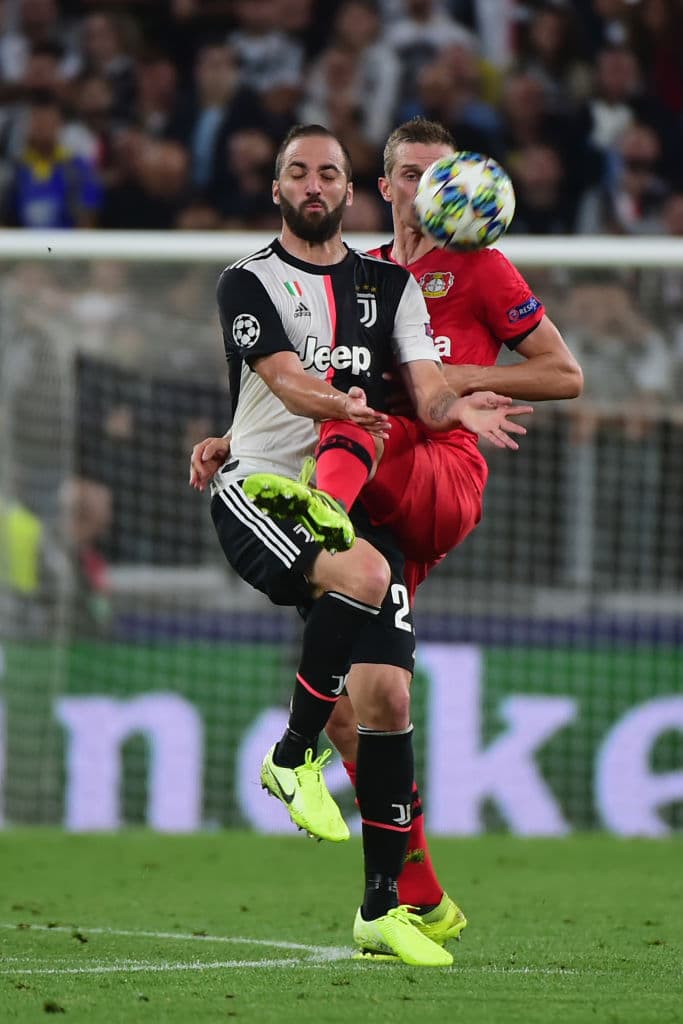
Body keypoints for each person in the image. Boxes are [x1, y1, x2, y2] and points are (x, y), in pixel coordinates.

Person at [190, 122, 532, 967]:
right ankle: (330, 809)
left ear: (349, 192)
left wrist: (464, 401)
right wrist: (239, 438)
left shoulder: (394, 285)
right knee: (370, 627)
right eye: (297, 172)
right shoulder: (247, 280)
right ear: (277, 190)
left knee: (378, 665)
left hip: (373, 485)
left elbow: (419, 390)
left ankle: (328, 815)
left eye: (326, 173)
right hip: (277, 487)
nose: (313, 185)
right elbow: (283, 381)